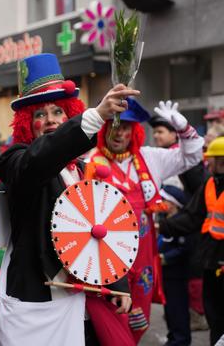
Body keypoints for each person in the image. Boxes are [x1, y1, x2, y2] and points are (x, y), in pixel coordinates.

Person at [0, 53, 138, 346]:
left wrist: (118, 284)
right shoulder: (15, 161)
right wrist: (95, 116)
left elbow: (99, 233)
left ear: (69, 115)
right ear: (27, 123)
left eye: (58, 112)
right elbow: (39, 160)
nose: (50, 120)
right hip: (37, 304)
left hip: (84, 304)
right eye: (39, 114)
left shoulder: (83, 170)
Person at [86, 100, 204, 343]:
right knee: (112, 325)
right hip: (107, 261)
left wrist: (182, 129)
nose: (119, 132)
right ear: (104, 128)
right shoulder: (89, 163)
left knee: (139, 322)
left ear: (134, 131)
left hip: (143, 264)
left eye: (125, 127)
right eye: (114, 125)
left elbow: (191, 156)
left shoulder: (150, 158)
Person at [159, 136, 224, 345]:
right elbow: (192, 217)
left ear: (220, 160)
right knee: (215, 318)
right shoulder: (210, 184)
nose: (207, 162)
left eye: (210, 158)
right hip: (211, 262)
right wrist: (163, 226)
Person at [149, 114, 210, 332]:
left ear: (175, 134)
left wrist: (170, 224)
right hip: (173, 229)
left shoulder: (185, 162)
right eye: (154, 132)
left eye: (161, 131)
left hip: (187, 236)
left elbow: (197, 205)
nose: (156, 136)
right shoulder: (161, 157)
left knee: (182, 295)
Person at [157, 185, 194, 346]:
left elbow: (185, 248)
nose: (161, 203)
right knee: (169, 310)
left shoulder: (181, 223)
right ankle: (173, 337)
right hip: (166, 274)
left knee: (178, 309)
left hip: (177, 275)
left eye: (164, 200)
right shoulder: (166, 220)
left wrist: (164, 257)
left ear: (173, 203)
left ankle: (181, 340)